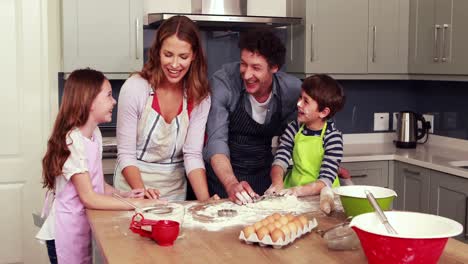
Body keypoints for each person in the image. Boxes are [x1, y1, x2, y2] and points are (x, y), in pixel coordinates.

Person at [36, 69, 162, 264]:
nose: (114, 101)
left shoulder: (95, 135)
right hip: (64, 232)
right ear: (89, 101)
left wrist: (128, 194)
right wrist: (136, 206)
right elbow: (89, 198)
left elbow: (99, 186)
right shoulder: (72, 140)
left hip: (81, 227)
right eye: (109, 95)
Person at [113, 15, 215, 202]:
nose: (175, 64)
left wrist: (205, 202)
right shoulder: (136, 88)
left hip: (174, 193)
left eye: (183, 56)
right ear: (157, 52)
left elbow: (192, 154)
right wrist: (141, 193)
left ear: (194, 56)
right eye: (168, 54)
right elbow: (126, 154)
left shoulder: (199, 96)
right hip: (132, 191)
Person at [204, 29, 302, 205]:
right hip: (223, 178)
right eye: (243, 64)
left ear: (274, 68)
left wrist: (329, 160)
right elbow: (216, 141)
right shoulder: (224, 82)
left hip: (263, 176)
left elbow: (318, 123)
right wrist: (231, 184)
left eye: (256, 67)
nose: (247, 75)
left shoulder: (292, 90)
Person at [268, 74, 346, 196]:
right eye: (300, 98)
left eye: (306, 101)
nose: (299, 104)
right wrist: (277, 183)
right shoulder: (294, 128)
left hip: (321, 196)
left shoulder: (332, 138)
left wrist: (297, 191)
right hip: (292, 190)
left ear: (323, 112)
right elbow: (280, 160)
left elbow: (325, 180)